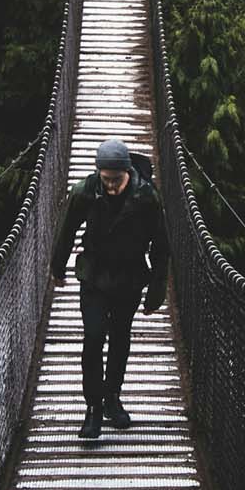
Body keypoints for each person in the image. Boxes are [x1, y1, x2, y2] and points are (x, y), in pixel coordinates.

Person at [51, 138, 169, 440]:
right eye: (106, 180)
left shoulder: (147, 197)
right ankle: (92, 407)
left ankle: (112, 398)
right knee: (93, 337)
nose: (112, 186)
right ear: (98, 174)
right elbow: (66, 230)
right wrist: (58, 267)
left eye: (117, 180)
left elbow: (161, 246)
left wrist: (156, 291)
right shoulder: (85, 192)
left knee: (119, 338)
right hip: (94, 275)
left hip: (129, 278)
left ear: (128, 172)